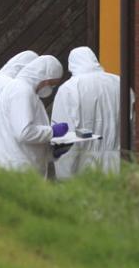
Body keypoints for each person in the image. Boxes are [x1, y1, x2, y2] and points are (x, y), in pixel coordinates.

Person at [0, 54, 64, 175]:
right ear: (43, 77)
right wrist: (52, 132)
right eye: (51, 84)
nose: (50, 88)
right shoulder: (21, 91)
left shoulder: (26, 91)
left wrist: (52, 153)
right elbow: (24, 133)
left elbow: (26, 140)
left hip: (18, 168)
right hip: (14, 170)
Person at [51, 47, 128, 179]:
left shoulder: (70, 88)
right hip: (120, 163)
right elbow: (133, 125)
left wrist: (63, 174)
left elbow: (66, 137)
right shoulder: (120, 83)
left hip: (85, 166)